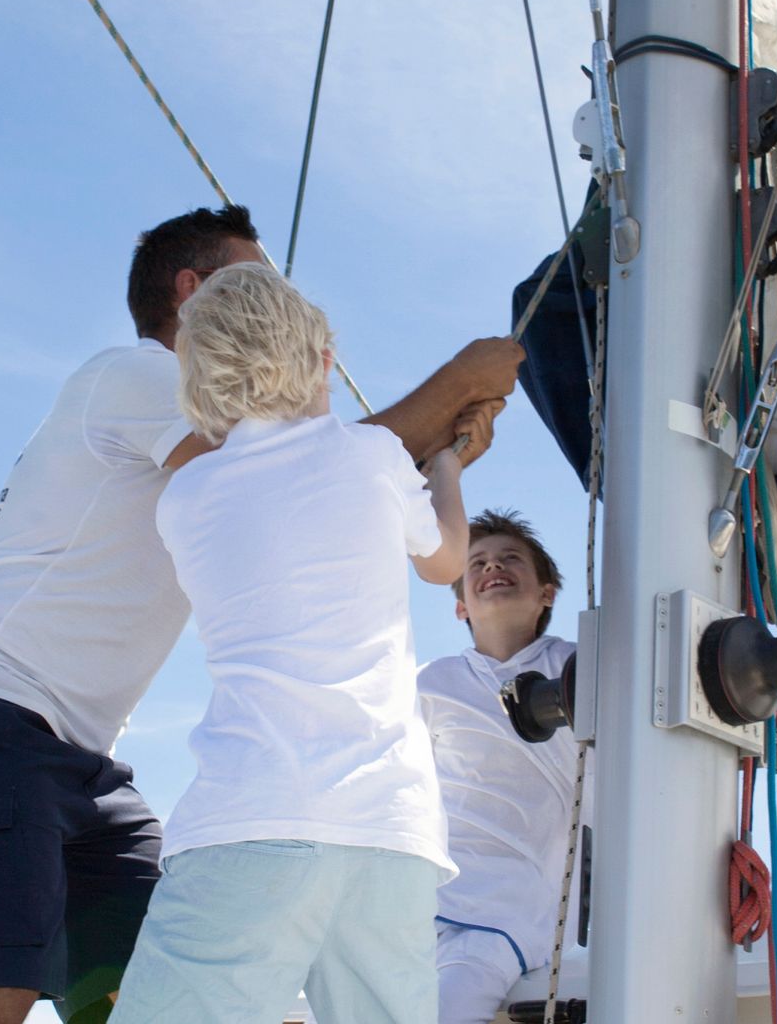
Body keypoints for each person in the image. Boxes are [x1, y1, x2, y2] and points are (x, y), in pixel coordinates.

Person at [0, 205, 521, 1024]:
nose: (275, 297)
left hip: (82, 756)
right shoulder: (135, 373)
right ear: (194, 295)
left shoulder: (205, 482)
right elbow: (298, 477)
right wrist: (460, 391)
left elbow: (292, 476)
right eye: (258, 280)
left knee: (132, 986)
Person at [109, 262, 469, 1024]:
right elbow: (445, 563)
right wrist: (443, 467)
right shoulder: (375, 458)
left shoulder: (186, 499)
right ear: (325, 361)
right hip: (391, 834)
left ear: (197, 381)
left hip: (252, 817)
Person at [419, 510, 577, 1024]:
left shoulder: (583, 666)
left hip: (514, 906)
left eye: (512, 559)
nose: (494, 567)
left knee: (452, 1008)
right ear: (461, 606)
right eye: (478, 563)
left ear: (546, 594)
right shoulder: (431, 683)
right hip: (426, 895)